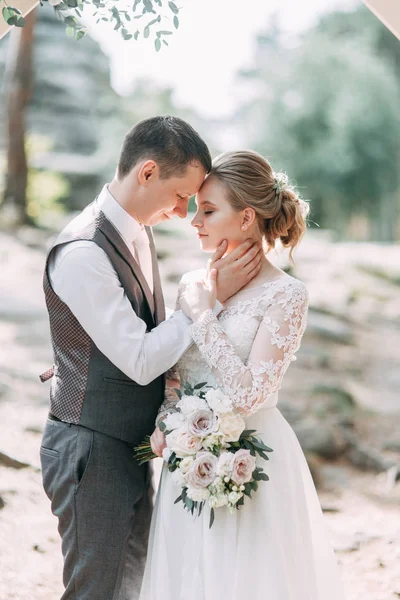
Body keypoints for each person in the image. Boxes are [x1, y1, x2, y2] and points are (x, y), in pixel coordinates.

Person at [39, 118, 263, 600]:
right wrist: (206, 304)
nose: (185, 212)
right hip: (91, 449)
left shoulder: (136, 232)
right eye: (182, 195)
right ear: (146, 173)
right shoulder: (83, 251)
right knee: (96, 590)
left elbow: (112, 331)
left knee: (130, 585)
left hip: (128, 444)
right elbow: (140, 359)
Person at [143, 150, 346, 600]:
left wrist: (202, 318)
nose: (195, 221)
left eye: (209, 210)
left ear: (247, 217)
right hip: (188, 455)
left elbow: (251, 394)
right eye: (196, 208)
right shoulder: (193, 284)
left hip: (254, 457)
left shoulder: (287, 294)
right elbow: (176, 374)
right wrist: (166, 420)